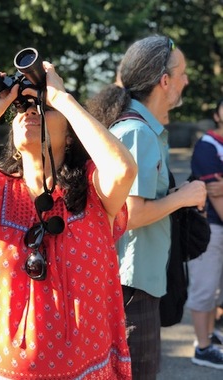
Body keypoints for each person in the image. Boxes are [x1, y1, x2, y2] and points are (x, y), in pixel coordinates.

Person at [0, 58, 138, 379]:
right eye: (23, 109)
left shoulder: (95, 190)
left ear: (70, 136)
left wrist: (62, 99)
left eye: (42, 108)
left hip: (83, 369)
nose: (30, 112)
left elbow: (123, 169)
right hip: (3, 371)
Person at [85, 35, 207, 379]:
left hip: (132, 283)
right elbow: (132, 215)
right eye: (181, 73)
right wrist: (183, 197)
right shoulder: (137, 133)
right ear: (164, 81)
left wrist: (176, 194)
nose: (186, 81)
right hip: (131, 286)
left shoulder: (137, 128)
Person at [186, 97, 223, 369]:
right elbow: (216, 195)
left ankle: (210, 335)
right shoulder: (207, 146)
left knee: (214, 290)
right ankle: (202, 347)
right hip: (209, 227)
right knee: (204, 287)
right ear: (217, 114)